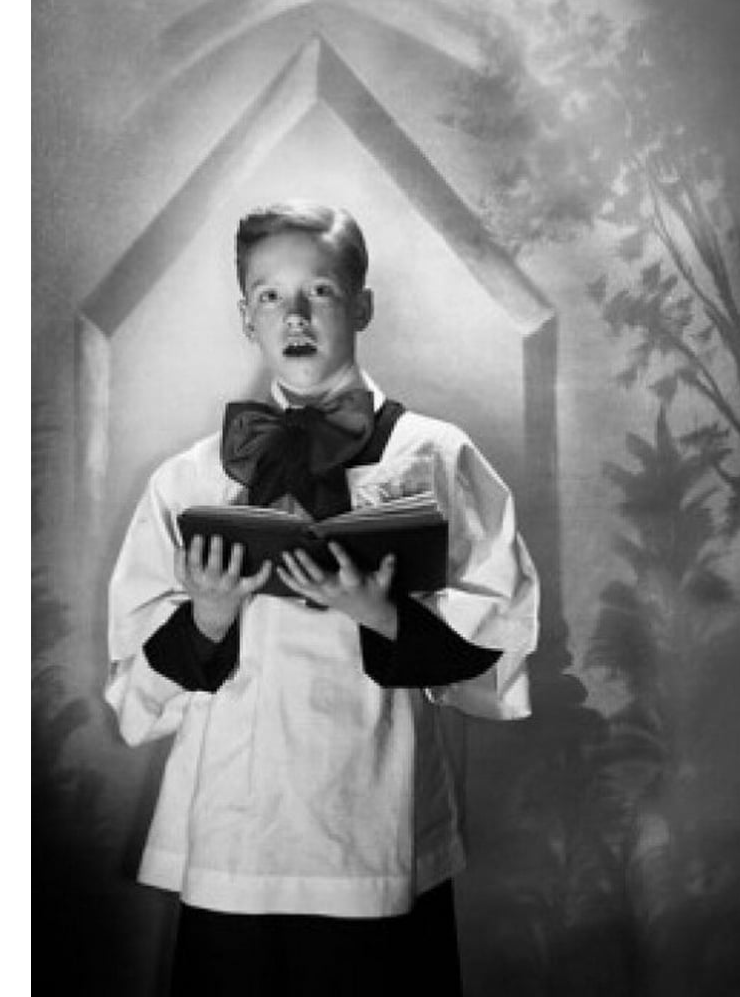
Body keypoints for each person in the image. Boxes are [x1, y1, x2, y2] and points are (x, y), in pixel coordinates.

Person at [105, 200, 539, 996]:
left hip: (378, 823)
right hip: (234, 831)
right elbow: (136, 685)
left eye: (321, 291)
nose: (295, 315)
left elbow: (502, 631)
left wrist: (384, 616)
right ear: (246, 316)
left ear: (362, 305)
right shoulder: (188, 479)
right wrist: (208, 619)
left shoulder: (438, 456)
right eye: (270, 295)